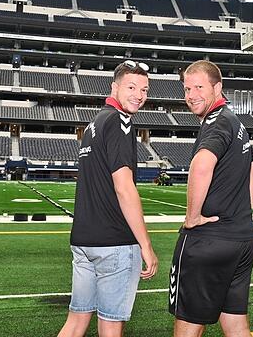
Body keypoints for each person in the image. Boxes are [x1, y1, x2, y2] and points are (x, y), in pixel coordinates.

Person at [58, 60, 158, 337]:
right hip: (113, 242)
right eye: (131, 87)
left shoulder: (95, 123)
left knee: (76, 322)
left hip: (84, 241)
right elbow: (123, 188)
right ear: (114, 87)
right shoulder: (120, 122)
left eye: (144, 90)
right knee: (111, 327)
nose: (139, 95)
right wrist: (146, 246)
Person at [169, 60, 253, 337]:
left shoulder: (216, 122)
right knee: (234, 322)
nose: (191, 95)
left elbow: (201, 165)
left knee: (188, 325)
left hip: (208, 240)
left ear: (217, 87)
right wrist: (245, 208)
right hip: (242, 238)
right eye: (186, 89)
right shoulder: (234, 121)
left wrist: (192, 217)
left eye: (198, 87)